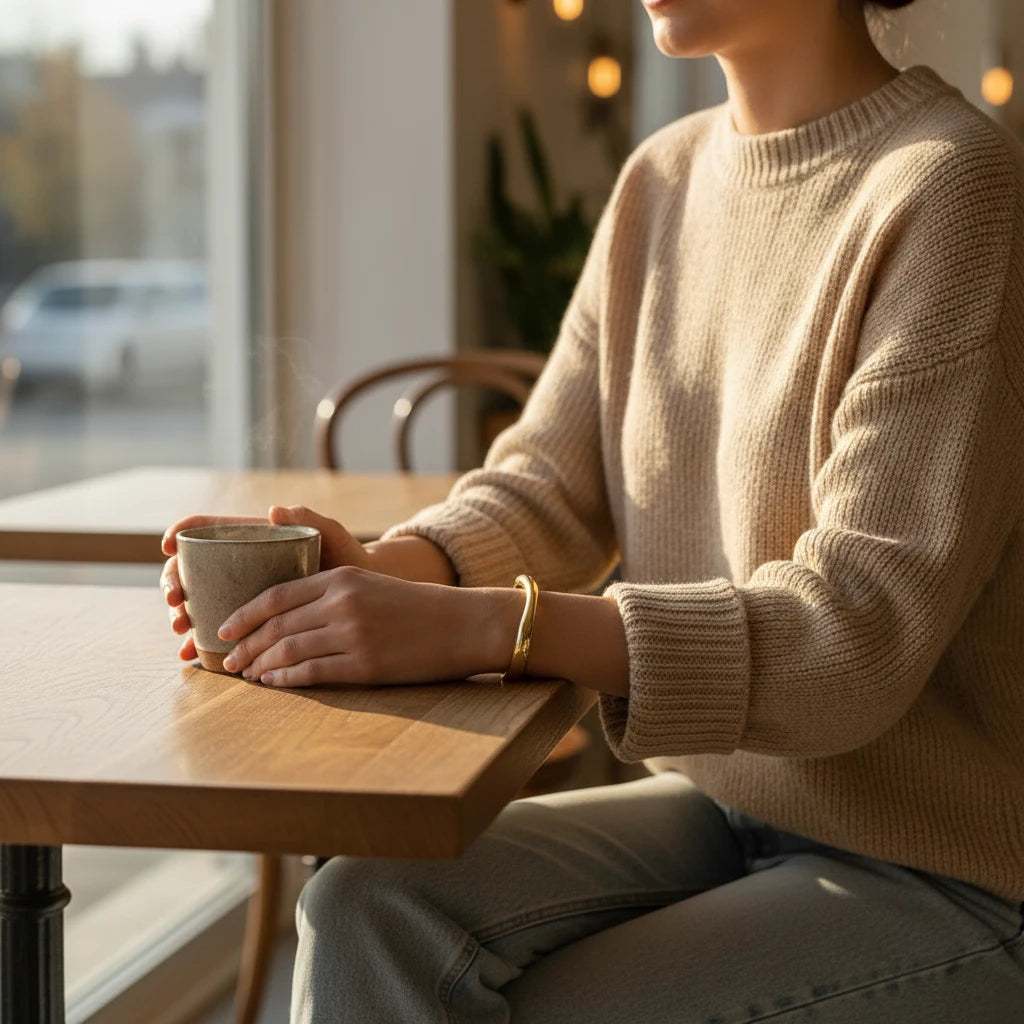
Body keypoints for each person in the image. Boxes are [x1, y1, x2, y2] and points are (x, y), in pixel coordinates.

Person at [162, 0, 1024, 1019]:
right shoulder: (660, 180)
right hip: (728, 806)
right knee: (363, 906)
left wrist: (495, 624)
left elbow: (851, 638)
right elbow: (550, 485)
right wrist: (388, 569)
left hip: (943, 866)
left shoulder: (952, 183)